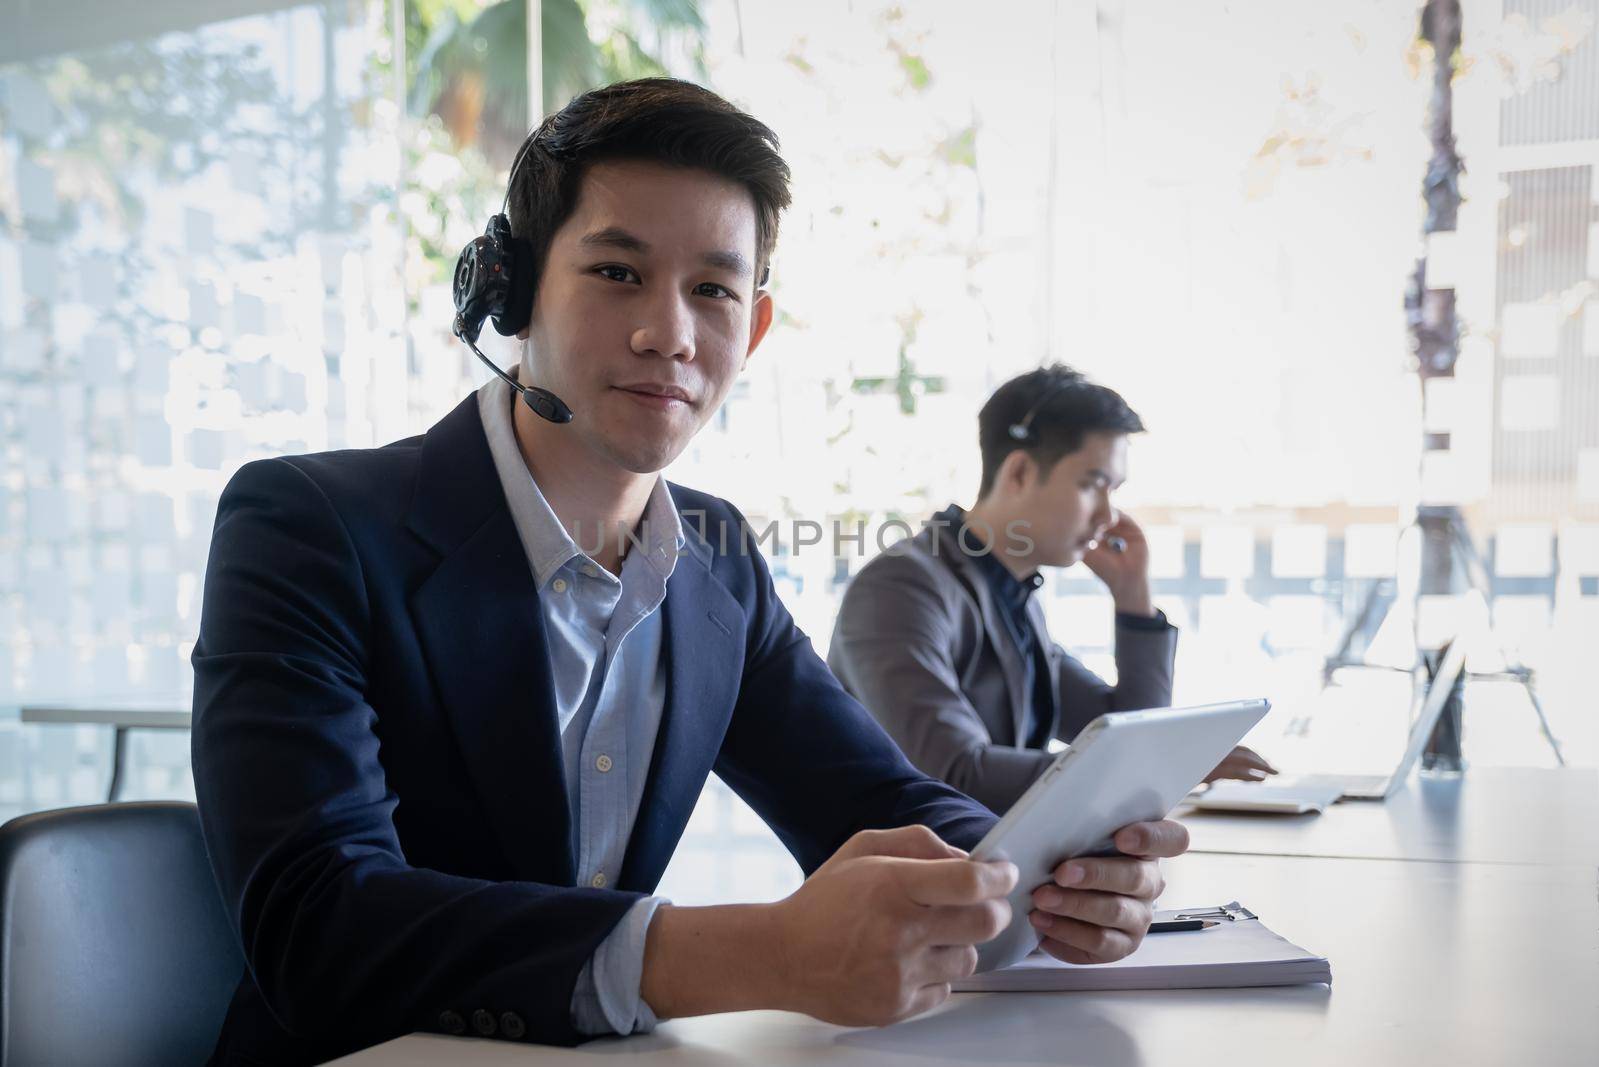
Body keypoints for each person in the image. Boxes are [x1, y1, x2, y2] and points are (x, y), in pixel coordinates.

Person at [190, 80, 1189, 1065]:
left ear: (750, 330)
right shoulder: (308, 525)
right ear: (515, 291)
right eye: (618, 272)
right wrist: (748, 952)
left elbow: (878, 795)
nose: (668, 332)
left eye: (711, 289)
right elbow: (315, 919)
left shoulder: (714, 560)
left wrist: (1043, 871)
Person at [828, 365, 1276, 816]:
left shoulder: (1007, 593)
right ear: (1019, 472)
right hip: (907, 877)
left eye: (1113, 490)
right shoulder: (902, 588)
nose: (1107, 517)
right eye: (1091, 485)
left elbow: (1125, 725)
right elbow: (956, 773)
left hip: (996, 867)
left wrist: (1133, 600)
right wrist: (1162, 763)